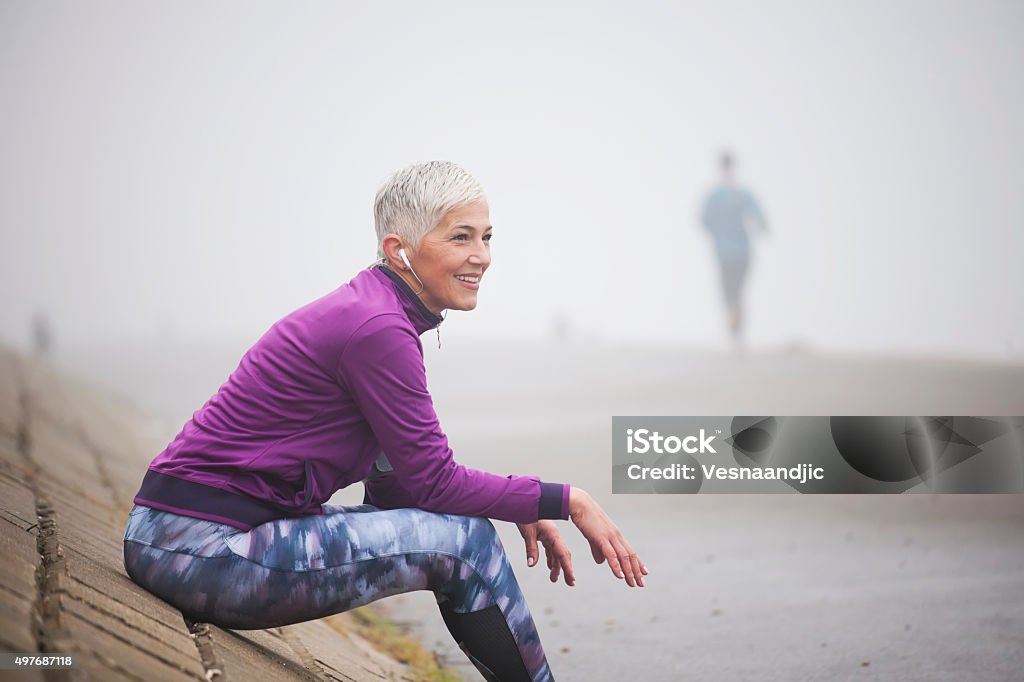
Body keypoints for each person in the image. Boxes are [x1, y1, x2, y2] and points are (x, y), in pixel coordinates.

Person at [123, 161, 647, 682]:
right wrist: (565, 500)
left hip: (183, 537)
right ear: (400, 250)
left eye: (487, 237)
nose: (482, 257)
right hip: (198, 549)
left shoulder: (375, 313)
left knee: (460, 532)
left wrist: (516, 500)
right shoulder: (378, 329)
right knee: (467, 544)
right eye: (461, 237)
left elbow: (398, 488)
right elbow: (434, 482)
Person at [700, 151, 768, 344]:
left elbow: (703, 221)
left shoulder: (715, 196)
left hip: (725, 253)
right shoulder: (743, 194)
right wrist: (763, 228)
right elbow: (760, 219)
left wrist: (717, 234)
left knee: (729, 292)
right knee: (738, 292)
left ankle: (735, 328)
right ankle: (737, 332)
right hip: (742, 251)